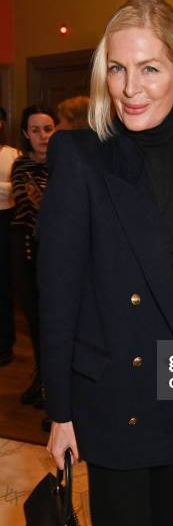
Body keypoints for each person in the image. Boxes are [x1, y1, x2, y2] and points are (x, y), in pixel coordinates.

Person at [38, 0, 173, 526]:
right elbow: (57, 290)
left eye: (149, 68)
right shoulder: (80, 154)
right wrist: (61, 413)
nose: (130, 87)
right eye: (117, 68)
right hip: (119, 389)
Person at [10, 105, 56, 406]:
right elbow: (31, 203)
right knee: (34, 319)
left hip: (53, 250)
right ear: (26, 134)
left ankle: (51, 385)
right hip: (24, 247)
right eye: (35, 130)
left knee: (53, 319)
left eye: (48, 129)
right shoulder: (21, 166)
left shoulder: (65, 163)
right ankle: (41, 377)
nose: (42, 136)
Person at [0, 107, 19, 366]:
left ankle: (5, 343)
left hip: (7, 222)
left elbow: (18, 189)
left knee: (3, 285)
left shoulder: (13, 155)